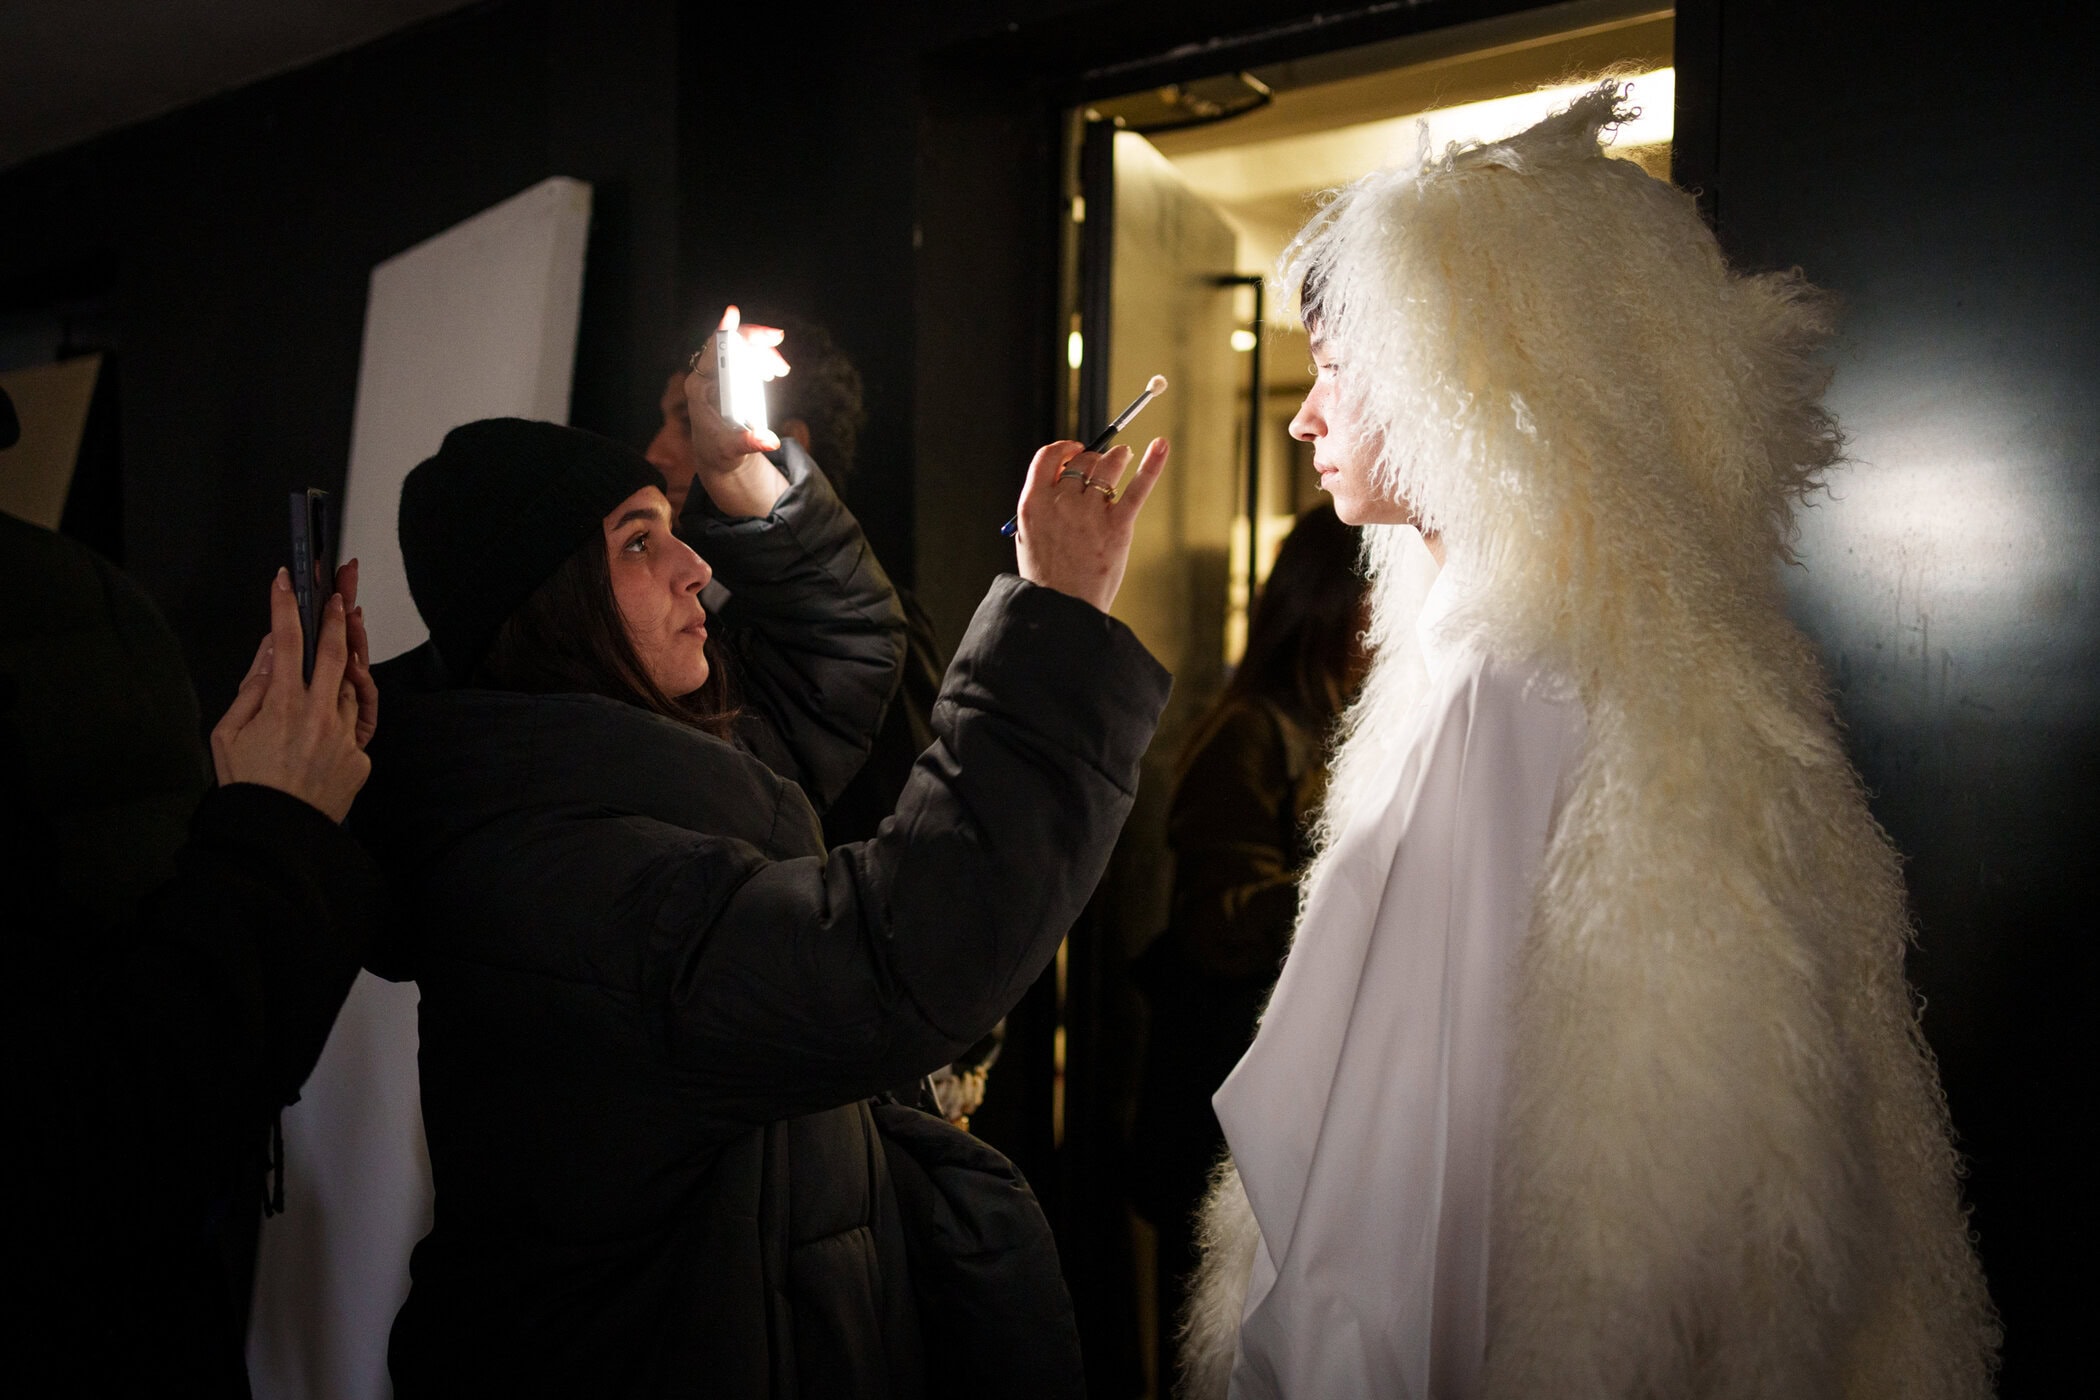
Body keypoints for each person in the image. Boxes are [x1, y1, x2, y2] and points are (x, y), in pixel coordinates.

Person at [1180, 84, 1997, 1398]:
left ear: (1463, 368)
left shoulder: (1507, 690)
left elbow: (1397, 1212)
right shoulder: (1644, 670)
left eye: (1337, 367)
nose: (1304, 416)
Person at [355, 314, 1174, 1396]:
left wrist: (748, 483)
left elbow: (845, 649)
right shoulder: (570, 882)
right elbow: (898, 954)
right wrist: (1057, 617)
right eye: (639, 540)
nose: (696, 564)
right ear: (551, 607)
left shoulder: (639, 755)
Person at [7, 371, 383, 1393]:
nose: (690, 569)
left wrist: (266, 813)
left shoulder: (78, 610)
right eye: (638, 539)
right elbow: (109, 1133)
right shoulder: (84, 606)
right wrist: (271, 825)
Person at [644, 311, 999, 1125]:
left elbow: (924, 834)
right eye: (672, 413)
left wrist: (942, 1070)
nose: (661, 446)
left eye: (685, 415)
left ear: (771, 434)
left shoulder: (871, 630)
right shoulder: (683, 615)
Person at [1127, 502, 1364, 1393]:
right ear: (1330, 603)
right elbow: (1218, 924)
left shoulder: (1334, 723)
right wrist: (1356, 887)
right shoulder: (1254, 730)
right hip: (1217, 1097)